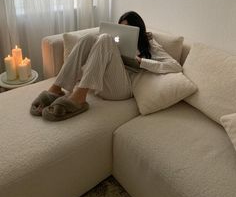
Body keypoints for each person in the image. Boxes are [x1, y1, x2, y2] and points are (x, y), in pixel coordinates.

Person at [30, 11, 182, 121]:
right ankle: (56, 88)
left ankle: (79, 97)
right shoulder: (119, 40)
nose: (123, 33)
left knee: (105, 39)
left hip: (123, 88)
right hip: (103, 80)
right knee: (89, 38)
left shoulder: (150, 44)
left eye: (128, 30)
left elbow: (175, 66)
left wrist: (143, 62)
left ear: (138, 30)